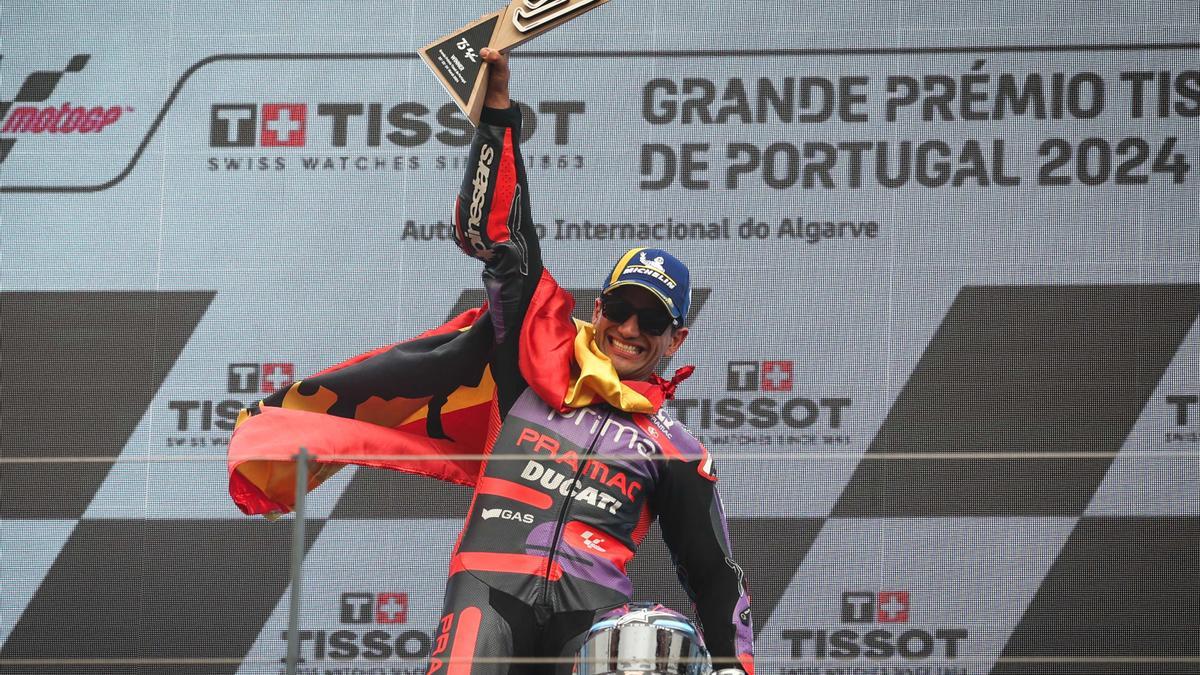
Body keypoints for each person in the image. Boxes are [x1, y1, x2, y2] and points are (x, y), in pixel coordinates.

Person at [427, 48, 754, 675]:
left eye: (652, 321)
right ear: (598, 308)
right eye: (620, 310)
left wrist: (735, 667)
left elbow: (717, 577)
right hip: (488, 592)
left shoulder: (674, 449)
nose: (630, 330)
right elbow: (504, 241)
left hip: (591, 617)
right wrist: (498, 113)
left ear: (675, 340)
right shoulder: (531, 362)